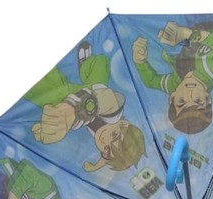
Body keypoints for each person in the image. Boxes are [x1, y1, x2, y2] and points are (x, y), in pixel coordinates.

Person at [25, 41, 146, 173]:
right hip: (90, 92)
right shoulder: (113, 111)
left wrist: (95, 167)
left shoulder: (103, 142)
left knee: (95, 71)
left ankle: (87, 68)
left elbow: (107, 158)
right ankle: (86, 65)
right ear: (123, 124)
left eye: (106, 149)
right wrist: (74, 111)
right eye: (114, 135)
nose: (104, 139)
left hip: (83, 94)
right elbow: (105, 98)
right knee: (100, 64)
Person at [132, 16, 213, 134]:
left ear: (172, 97)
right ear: (208, 98)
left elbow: (150, 82)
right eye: (198, 100)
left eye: (182, 101)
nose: (190, 93)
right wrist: (190, 34)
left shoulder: (175, 85)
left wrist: (139, 60)